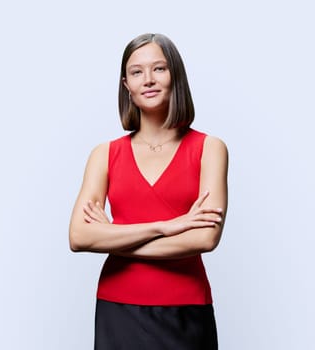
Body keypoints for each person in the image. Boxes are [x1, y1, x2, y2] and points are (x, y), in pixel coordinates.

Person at [69, 33, 228, 349]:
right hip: (118, 307)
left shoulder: (210, 149)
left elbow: (204, 238)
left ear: (175, 76)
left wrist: (112, 236)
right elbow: (79, 237)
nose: (148, 80)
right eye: (137, 72)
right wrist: (165, 227)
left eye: (159, 69)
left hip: (186, 308)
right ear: (126, 84)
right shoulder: (105, 154)